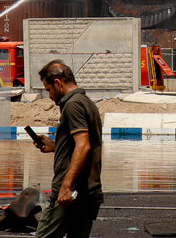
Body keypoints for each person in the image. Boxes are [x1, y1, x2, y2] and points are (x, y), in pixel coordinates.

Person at [31, 60, 103, 238]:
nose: (49, 96)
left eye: (48, 90)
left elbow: (83, 145)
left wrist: (65, 186)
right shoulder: (87, 103)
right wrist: (56, 146)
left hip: (71, 193)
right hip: (88, 192)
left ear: (58, 83)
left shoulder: (72, 105)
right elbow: (84, 145)